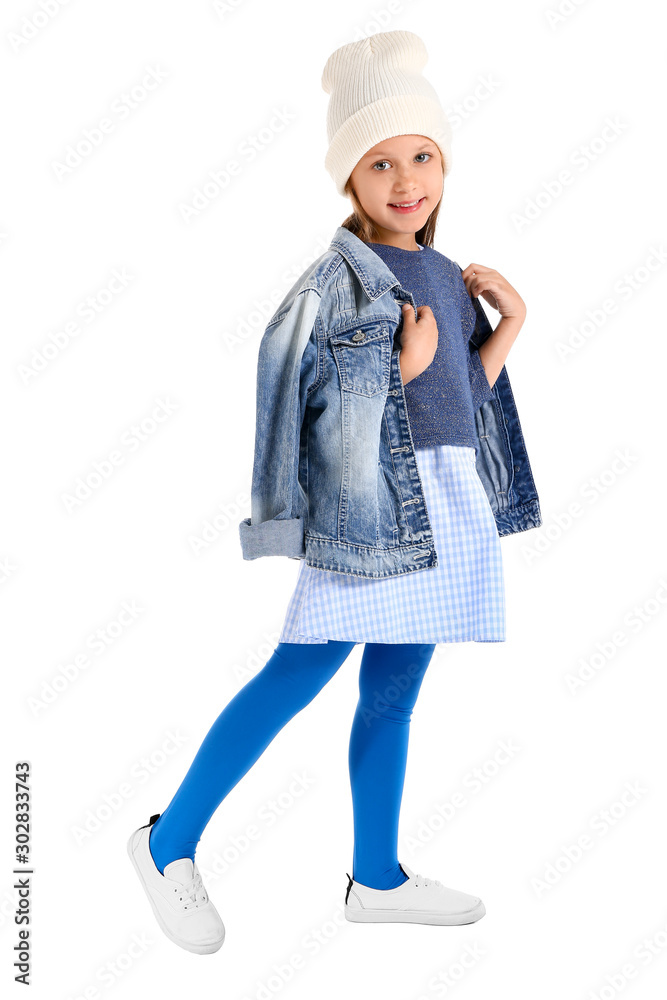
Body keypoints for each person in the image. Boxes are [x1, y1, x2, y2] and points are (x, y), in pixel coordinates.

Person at [127, 29, 535, 956]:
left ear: (444, 163)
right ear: (348, 180)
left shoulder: (440, 269)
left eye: (422, 155)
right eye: (378, 161)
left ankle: (377, 878)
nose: (404, 178)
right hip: (369, 512)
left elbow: (459, 400)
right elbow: (289, 386)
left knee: (394, 691)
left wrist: (507, 326)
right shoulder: (335, 278)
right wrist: (390, 372)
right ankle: (168, 841)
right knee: (299, 671)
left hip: (443, 500)